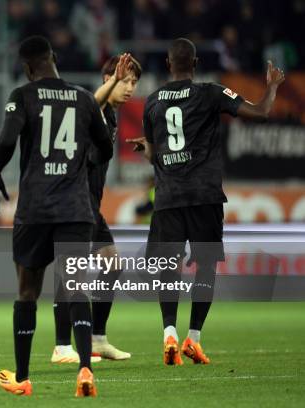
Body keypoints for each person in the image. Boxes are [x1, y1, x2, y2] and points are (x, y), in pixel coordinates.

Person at [127, 38, 285, 365]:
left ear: (169, 65)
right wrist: (270, 88)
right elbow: (261, 113)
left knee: (168, 268)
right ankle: (193, 338)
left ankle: (168, 333)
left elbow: (156, 153)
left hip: (169, 197)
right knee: (207, 266)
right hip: (205, 195)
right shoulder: (211, 92)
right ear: (195, 64)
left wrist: (148, 150)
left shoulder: (153, 100)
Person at [0, 35, 113, 397]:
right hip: (75, 208)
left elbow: (8, 139)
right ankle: (86, 369)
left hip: (36, 209)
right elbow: (104, 146)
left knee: (27, 291)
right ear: (53, 58)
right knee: (75, 287)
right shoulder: (85, 97)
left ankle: (23, 377)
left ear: (27, 68)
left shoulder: (23, 96)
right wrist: (80, 166)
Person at [52, 53, 140, 363]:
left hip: (92, 204)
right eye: (124, 80)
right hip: (74, 202)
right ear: (109, 79)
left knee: (112, 265)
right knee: (70, 271)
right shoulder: (95, 108)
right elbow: (92, 101)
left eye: (133, 82)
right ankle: (62, 346)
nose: (130, 87)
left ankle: (98, 338)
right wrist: (114, 79)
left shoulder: (113, 115)